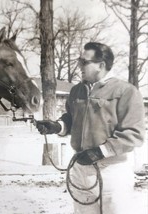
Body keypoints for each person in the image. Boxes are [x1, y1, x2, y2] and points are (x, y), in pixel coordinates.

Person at [36, 42, 145, 214]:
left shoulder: (126, 92)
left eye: (84, 62)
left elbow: (134, 134)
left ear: (101, 65)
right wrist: (57, 126)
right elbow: (71, 119)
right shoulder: (77, 91)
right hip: (81, 169)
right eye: (80, 61)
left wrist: (100, 151)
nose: (79, 65)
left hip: (112, 171)